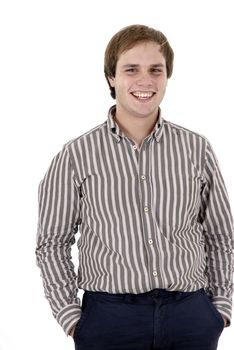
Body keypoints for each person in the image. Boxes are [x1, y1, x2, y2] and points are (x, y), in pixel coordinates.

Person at [36, 24, 234, 350]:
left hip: (191, 317)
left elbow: (220, 233)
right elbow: (52, 243)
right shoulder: (75, 155)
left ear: (167, 76)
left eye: (156, 70)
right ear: (111, 78)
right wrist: (71, 317)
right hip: (109, 320)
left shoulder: (196, 148)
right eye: (132, 69)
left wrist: (220, 308)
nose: (145, 80)